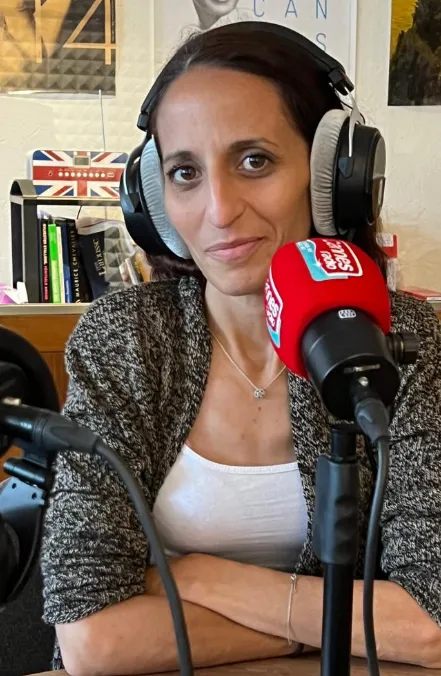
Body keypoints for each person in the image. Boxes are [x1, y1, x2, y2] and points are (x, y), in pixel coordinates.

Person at [40, 21, 441, 675]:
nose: (220, 210)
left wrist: (199, 577)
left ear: (331, 175)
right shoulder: (125, 341)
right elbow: (92, 641)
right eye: (185, 173)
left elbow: (430, 625)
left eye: (254, 160)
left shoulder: (398, 337)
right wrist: (324, 628)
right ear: (154, 201)